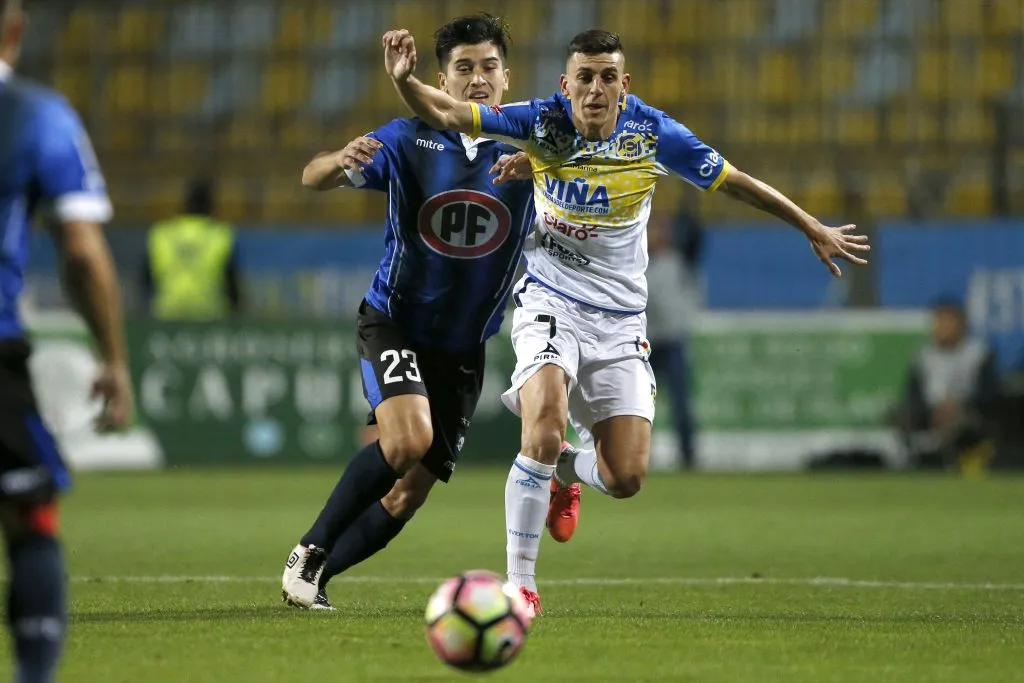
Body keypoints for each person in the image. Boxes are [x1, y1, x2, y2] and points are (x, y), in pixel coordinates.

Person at [383, 27, 871, 612]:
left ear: (624, 84)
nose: (594, 89)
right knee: (541, 425)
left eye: (607, 77)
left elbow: (737, 183)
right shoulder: (540, 122)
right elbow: (448, 111)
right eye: (584, 78)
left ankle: (569, 461)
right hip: (548, 298)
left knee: (626, 477)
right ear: (566, 85)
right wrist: (406, 81)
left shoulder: (653, 133)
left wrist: (811, 225)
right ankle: (521, 585)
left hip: (619, 319)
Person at [280, 13, 536, 612]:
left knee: (408, 494)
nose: (478, 80)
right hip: (394, 320)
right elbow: (311, 175)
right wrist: (340, 157)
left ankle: (312, 581)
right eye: (464, 69)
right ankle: (309, 552)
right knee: (404, 442)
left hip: (464, 347)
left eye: (489, 67)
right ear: (441, 81)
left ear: (508, 77)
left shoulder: (534, 151)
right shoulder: (407, 137)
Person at [0, 1, 134, 680]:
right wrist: (113, 358)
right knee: (29, 514)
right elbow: (81, 251)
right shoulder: (36, 115)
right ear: (16, 31)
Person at [892, 299, 1000, 471]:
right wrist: (931, 410)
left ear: (961, 324)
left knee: (962, 420)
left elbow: (989, 392)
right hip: (929, 411)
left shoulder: (978, 353)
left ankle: (954, 461)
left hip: (966, 411)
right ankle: (912, 462)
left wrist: (959, 405)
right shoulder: (923, 355)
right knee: (898, 413)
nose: (940, 327)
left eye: (946, 321)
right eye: (938, 321)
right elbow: (912, 394)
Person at [142, 179, 243, 319]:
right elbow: (232, 285)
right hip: (209, 316)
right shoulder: (221, 236)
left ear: (184, 204)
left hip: (167, 315)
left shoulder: (161, 235)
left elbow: (146, 280)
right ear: (211, 207)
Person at [645, 209, 699, 468]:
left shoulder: (677, 261)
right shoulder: (637, 262)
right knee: (642, 407)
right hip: (646, 346)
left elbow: (696, 236)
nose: (655, 235)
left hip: (673, 341)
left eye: (659, 230)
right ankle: (640, 456)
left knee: (681, 404)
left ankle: (688, 458)